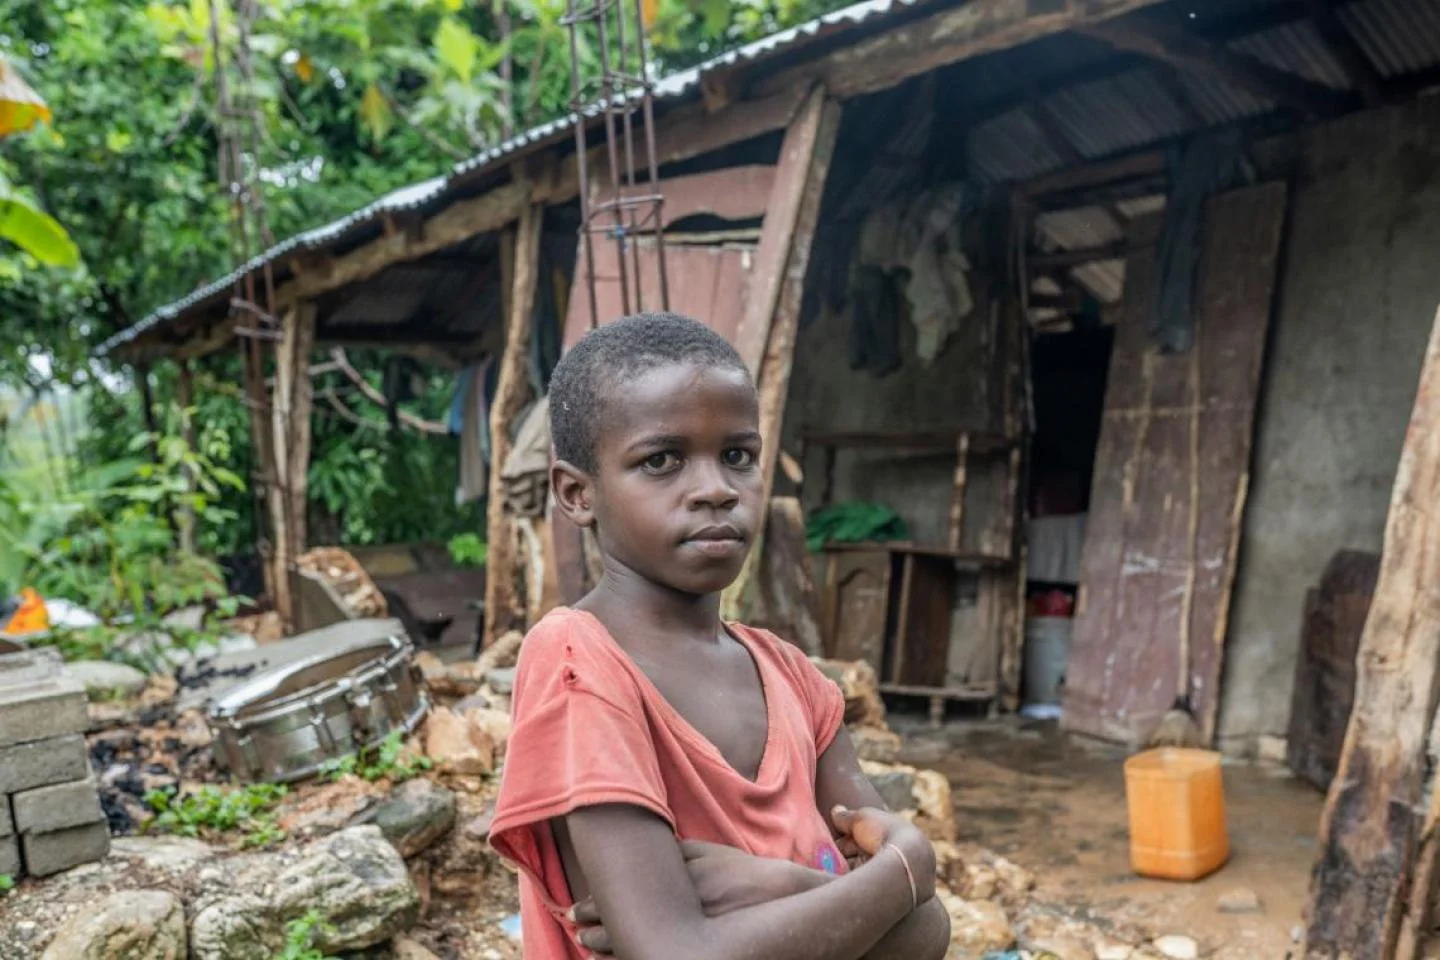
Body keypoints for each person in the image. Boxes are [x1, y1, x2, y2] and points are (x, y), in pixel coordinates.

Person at [489, 312, 951, 960]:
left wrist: (779, 886)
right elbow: (678, 952)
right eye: (662, 460)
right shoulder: (579, 664)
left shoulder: (795, 683)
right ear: (576, 494)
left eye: (737, 456)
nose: (714, 490)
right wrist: (897, 872)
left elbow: (929, 933)